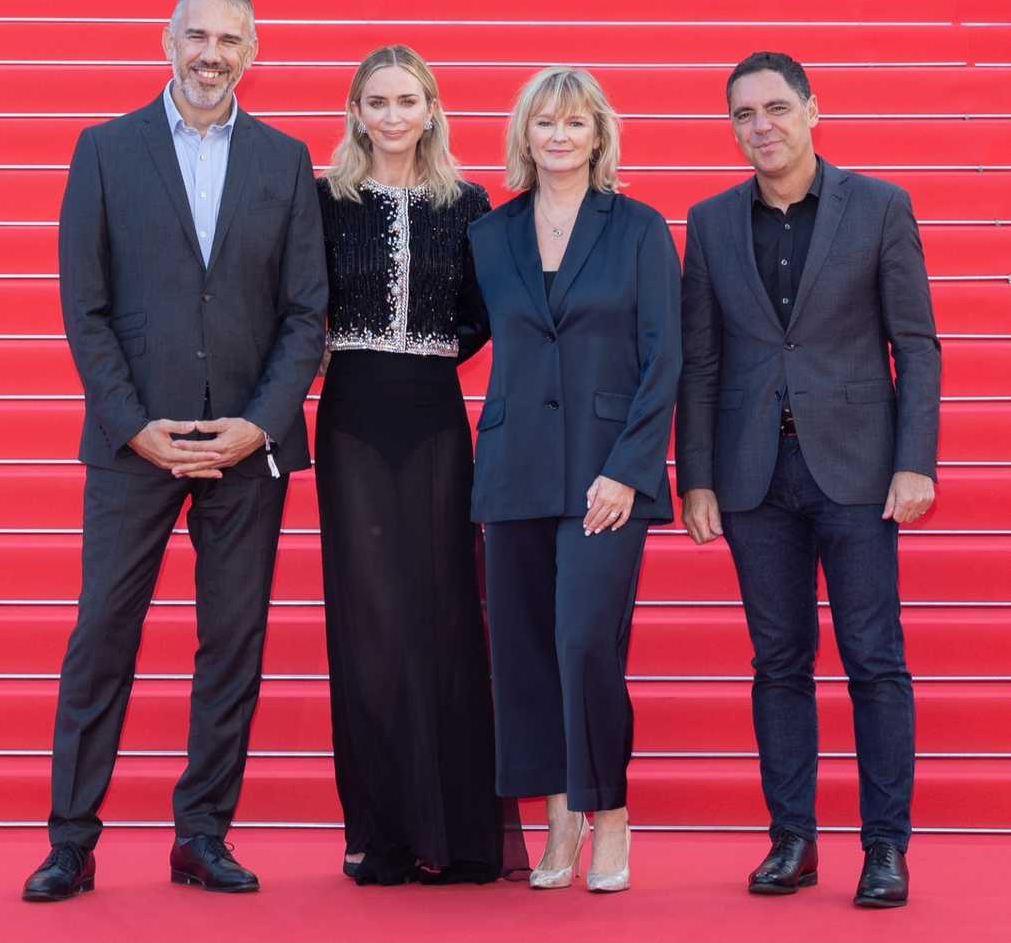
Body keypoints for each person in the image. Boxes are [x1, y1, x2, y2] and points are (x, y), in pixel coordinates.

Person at [21, 0, 328, 902]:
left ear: (253, 53)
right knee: (102, 637)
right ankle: (70, 841)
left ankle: (202, 833)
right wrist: (135, 425)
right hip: (134, 444)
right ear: (167, 40)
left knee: (231, 642)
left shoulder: (285, 160)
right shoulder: (106, 150)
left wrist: (257, 424)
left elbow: (306, 314)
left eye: (230, 40)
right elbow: (86, 306)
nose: (211, 54)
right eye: (197, 35)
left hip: (246, 446)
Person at [677, 50, 941, 910]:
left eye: (778, 108)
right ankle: (791, 839)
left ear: (812, 110)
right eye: (745, 114)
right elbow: (702, 361)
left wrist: (914, 461)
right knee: (778, 661)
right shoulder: (711, 221)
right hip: (756, 480)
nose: (763, 127)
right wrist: (699, 478)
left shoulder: (879, 207)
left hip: (858, 472)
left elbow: (918, 345)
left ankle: (885, 848)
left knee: (874, 660)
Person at [469, 67, 681, 896]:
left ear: (599, 136)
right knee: (522, 653)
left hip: (606, 473)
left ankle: (610, 811)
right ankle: (559, 817)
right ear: (524, 135)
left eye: (574, 123)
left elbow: (663, 359)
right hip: (514, 470)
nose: (558, 137)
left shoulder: (636, 229)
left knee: (585, 642)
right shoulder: (492, 235)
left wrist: (628, 470)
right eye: (544, 123)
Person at [315, 46, 512, 887]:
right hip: (353, 415)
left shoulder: (466, 204)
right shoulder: (323, 202)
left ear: (432, 108)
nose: (392, 116)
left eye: (407, 101)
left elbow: (484, 313)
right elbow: (297, 304)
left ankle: (459, 833)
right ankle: (383, 833)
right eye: (377, 102)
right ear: (356, 111)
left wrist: (431, 353)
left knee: (443, 612)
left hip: (434, 414)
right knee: (369, 623)